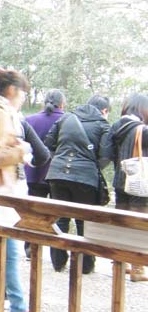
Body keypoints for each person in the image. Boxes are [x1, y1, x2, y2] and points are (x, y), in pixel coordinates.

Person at [45, 95, 111, 274]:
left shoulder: (65, 118)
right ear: (104, 111)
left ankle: (58, 263)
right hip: (86, 177)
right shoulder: (103, 124)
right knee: (84, 220)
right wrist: (90, 167)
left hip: (57, 173)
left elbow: (48, 144)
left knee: (60, 218)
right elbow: (106, 156)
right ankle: (85, 265)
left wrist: (58, 162)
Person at [0, 68, 33, 312]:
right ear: (12, 90)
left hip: (4, 193)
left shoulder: (5, 113)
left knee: (8, 249)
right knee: (9, 249)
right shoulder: (0, 114)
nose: (23, 98)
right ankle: (17, 305)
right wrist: (20, 151)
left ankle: (13, 303)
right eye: (23, 93)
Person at [102, 93, 148, 281]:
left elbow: (107, 154)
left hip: (120, 182)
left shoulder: (115, 126)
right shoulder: (142, 130)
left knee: (122, 223)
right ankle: (137, 268)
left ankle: (119, 264)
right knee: (139, 225)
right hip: (139, 184)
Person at [23, 89, 66, 258]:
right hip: (57, 175)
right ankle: (57, 254)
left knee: (33, 214)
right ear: (62, 103)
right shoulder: (68, 121)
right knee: (57, 215)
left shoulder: (30, 120)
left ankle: (30, 249)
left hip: (33, 173)